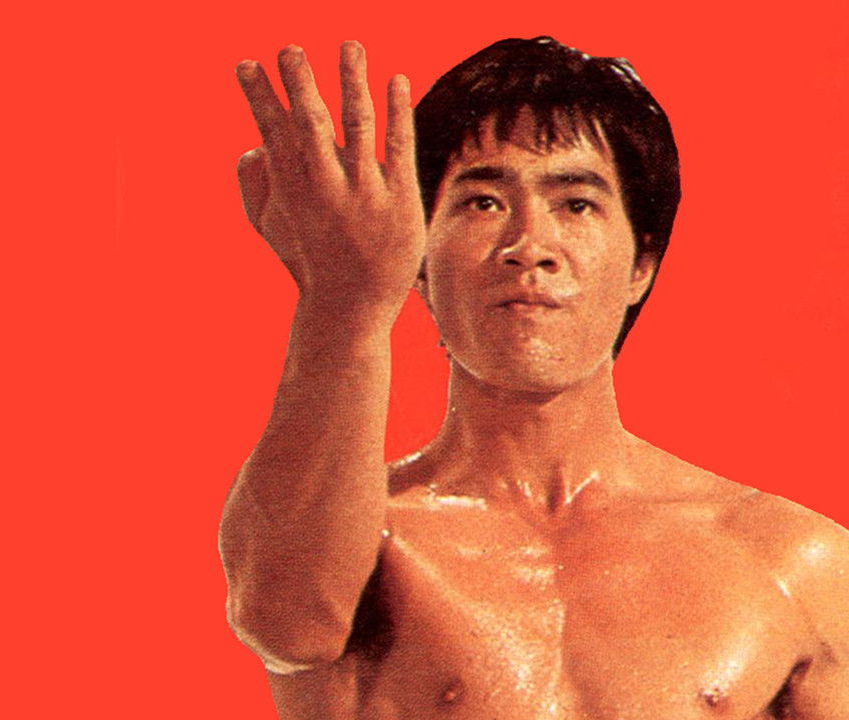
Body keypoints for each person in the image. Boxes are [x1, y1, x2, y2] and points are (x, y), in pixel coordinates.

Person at [218, 37, 849, 719]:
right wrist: (345, 298)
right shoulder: (350, 548)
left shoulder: (796, 563)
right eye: (482, 202)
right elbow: (287, 624)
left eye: (576, 204)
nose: (529, 247)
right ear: (420, 262)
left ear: (641, 267)